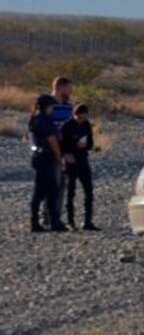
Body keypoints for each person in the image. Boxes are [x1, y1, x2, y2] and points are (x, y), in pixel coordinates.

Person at [29, 95, 68, 233]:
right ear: (47, 106)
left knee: (51, 191)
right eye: (52, 107)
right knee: (41, 191)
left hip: (41, 157)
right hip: (45, 158)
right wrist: (58, 157)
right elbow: (52, 141)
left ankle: (53, 221)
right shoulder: (44, 120)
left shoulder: (38, 119)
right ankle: (36, 222)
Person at [61, 104, 98, 231]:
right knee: (71, 192)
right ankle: (70, 222)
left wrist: (85, 145)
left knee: (89, 191)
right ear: (74, 115)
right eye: (79, 117)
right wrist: (66, 154)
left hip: (83, 160)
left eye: (83, 117)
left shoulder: (87, 125)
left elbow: (91, 143)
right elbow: (61, 144)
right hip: (71, 162)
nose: (81, 120)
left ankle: (88, 222)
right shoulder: (67, 126)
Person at [49, 77, 74, 225]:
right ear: (60, 87)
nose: (70, 92)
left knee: (61, 183)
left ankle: (56, 217)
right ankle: (46, 216)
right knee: (50, 183)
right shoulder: (46, 104)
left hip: (64, 151)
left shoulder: (69, 107)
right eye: (68, 89)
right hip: (49, 150)